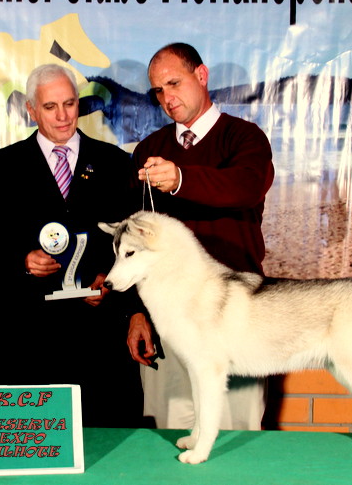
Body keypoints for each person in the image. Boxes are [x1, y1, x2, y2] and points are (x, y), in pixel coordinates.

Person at [0, 64, 144, 427]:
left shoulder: (115, 163)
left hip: (98, 337)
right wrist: (21, 261)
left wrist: (111, 282)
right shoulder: (2, 167)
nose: (62, 116)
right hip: (30, 340)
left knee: (106, 442)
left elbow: (133, 244)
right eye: (50, 107)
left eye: (70, 104)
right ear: (31, 110)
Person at [127, 43, 275, 430]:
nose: (166, 97)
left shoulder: (245, 139)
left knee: (236, 432)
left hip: (236, 315)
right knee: (171, 430)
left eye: (174, 83)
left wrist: (181, 179)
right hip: (169, 316)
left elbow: (245, 187)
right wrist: (136, 312)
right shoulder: (149, 149)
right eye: (158, 90)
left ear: (202, 76)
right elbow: (138, 241)